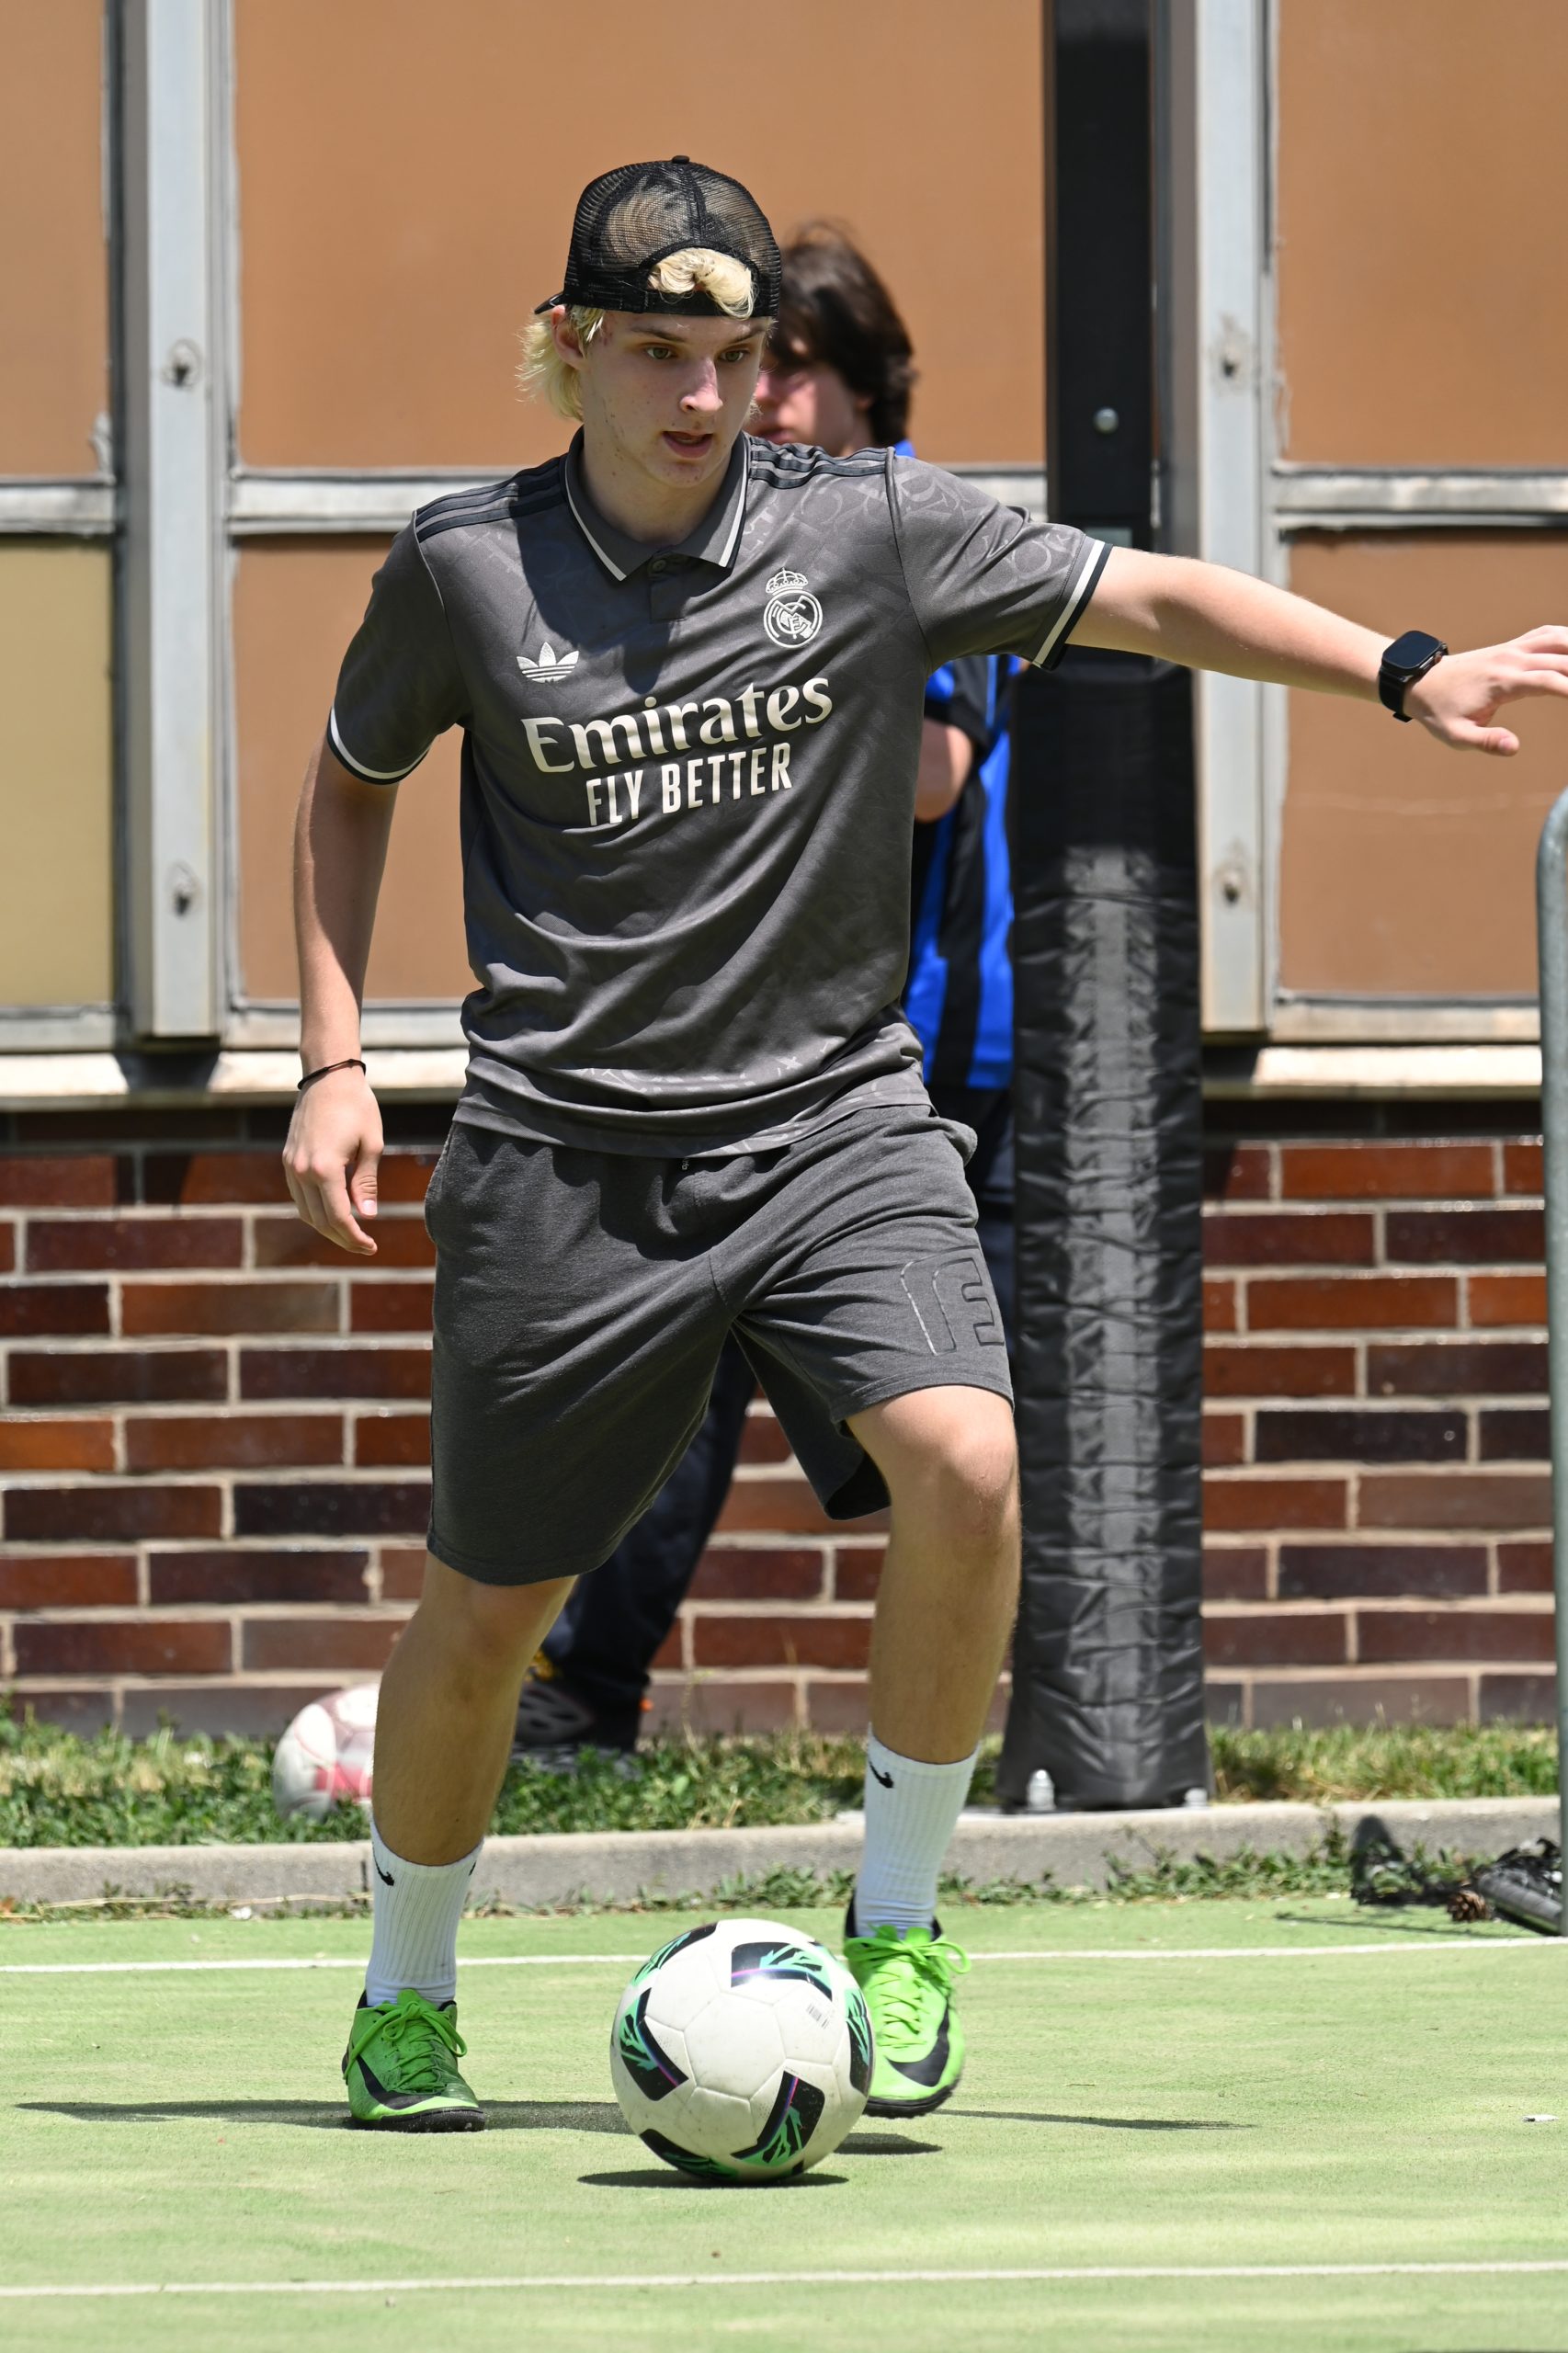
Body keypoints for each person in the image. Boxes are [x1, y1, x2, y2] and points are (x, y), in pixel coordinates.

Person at [285, 155, 1568, 2134]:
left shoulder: (867, 525)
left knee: (967, 1460)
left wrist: (1401, 668)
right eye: (658, 353)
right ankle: (405, 1990)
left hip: (833, 1123)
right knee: (490, 1611)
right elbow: (350, 781)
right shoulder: (466, 570)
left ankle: (894, 1929)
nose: (703, 395)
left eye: (733, 357)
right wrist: (332, 1057)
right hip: (567, 1154)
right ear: (570, 349)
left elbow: (1143, 594)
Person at [515, 222, 1017, 1761]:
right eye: (734, 366)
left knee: (956, 1429)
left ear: (866, 385)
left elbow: (932, 776)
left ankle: (960, 1738)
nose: (752, 399)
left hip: (914, 1054)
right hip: (743, 1052)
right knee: (684, 1380)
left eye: (783, 367)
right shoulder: (722, 529)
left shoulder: (903, 523)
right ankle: (587, 1692)